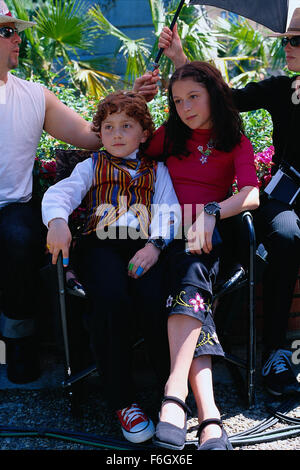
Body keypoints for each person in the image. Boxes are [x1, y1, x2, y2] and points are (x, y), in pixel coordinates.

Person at [152, 9, 300, 398]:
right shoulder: (282, 89)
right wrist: (181, 61)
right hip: (286, 197)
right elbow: (221, 100)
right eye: (286, 40)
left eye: (296, 41)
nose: (288, 47)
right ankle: (276, 352)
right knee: (285, 235)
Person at [42, 90, 181, 444]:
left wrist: (155, 245)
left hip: (144, 248)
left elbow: (169, 211)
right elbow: (60, 194)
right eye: (108, 127)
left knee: (156, 301)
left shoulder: (157, 170)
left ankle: (170, 394)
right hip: (100, 246)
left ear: (144, 133)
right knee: (110, 301)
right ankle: (123, 400)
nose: (116, 134)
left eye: (126, 126)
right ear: (99, 133)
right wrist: (57, 221)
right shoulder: (91, 165)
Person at [142, 61, 259, 450]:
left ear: (214, 93)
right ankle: (210, 415)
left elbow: (251, 194)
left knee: (191, 266)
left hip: (204, 241)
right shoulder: (169, 136)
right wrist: (138, 100)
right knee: (192, 289)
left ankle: (174, 396)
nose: (185, 108)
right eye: (177, 101)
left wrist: (211, 212)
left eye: (194, 97)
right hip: (161, 237)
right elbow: (121, 141)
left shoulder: (234, 139)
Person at [0, 2, 103, 384]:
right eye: (6, 31)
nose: (17, 38)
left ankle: (18, 341)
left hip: (14, 207)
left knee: (17, 237)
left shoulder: (35, 96)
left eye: (16, 30)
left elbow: (93, 138)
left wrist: (133, 101)